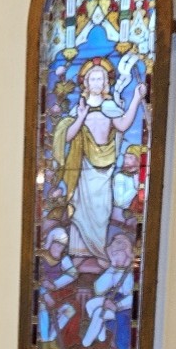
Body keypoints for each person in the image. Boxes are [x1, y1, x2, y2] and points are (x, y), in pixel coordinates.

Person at [52, 60, 146, 258]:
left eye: (100, 78)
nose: (96, 82)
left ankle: (99, 253)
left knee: (102, 209)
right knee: (79, 210)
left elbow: (122, 125)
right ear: (86, 82)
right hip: (83, 168)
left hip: (105, 167)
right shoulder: (81, 106)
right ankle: (78, 254)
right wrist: (80, 117)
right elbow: (66, 136)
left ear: (106, 83)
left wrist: (136, 99)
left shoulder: (109, 105)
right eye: (92, 78)